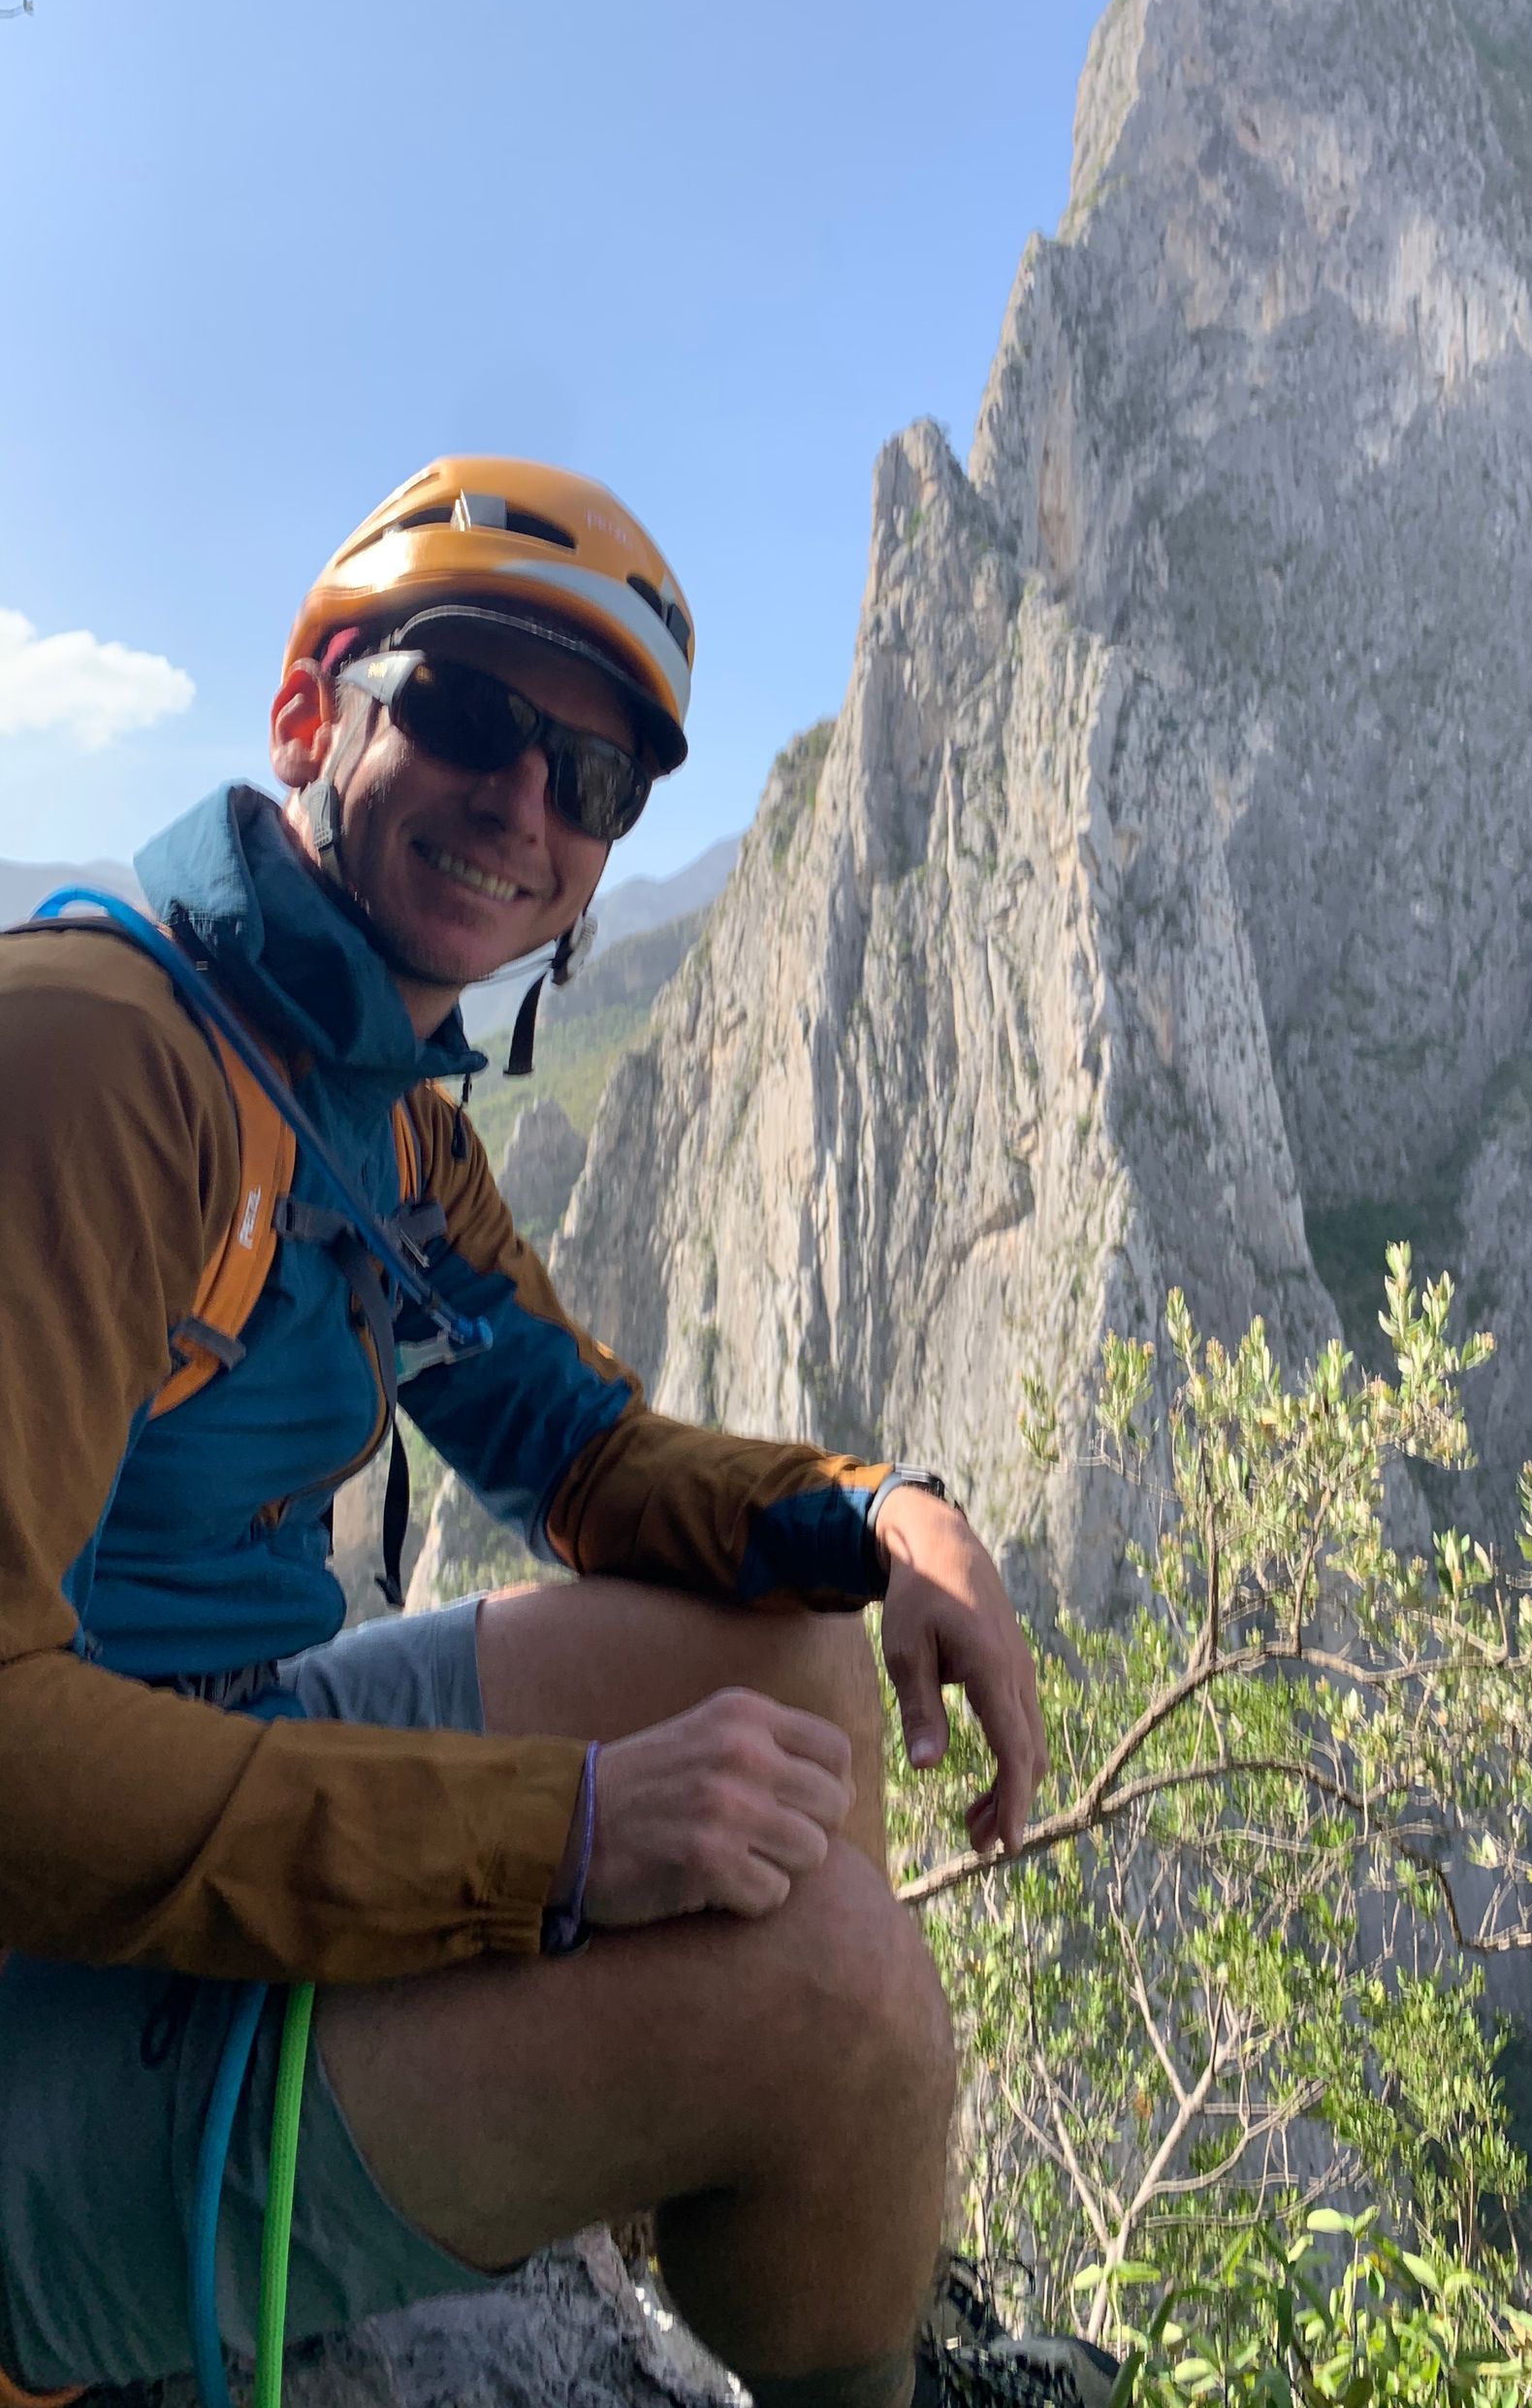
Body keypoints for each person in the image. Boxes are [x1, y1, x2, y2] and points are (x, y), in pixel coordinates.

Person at [0, 459, 1116, 2408]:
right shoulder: (101, 1056)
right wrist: (563, 1846)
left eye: (594, 783)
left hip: (218, 1766)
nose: (528, 802)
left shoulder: (378, 1113)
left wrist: (881, 1511)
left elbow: (582, 1450)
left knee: (789, 1657)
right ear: (308, 709)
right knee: (839, 1999)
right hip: (42, 2001)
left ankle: (739, 2213)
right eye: (469, 710)